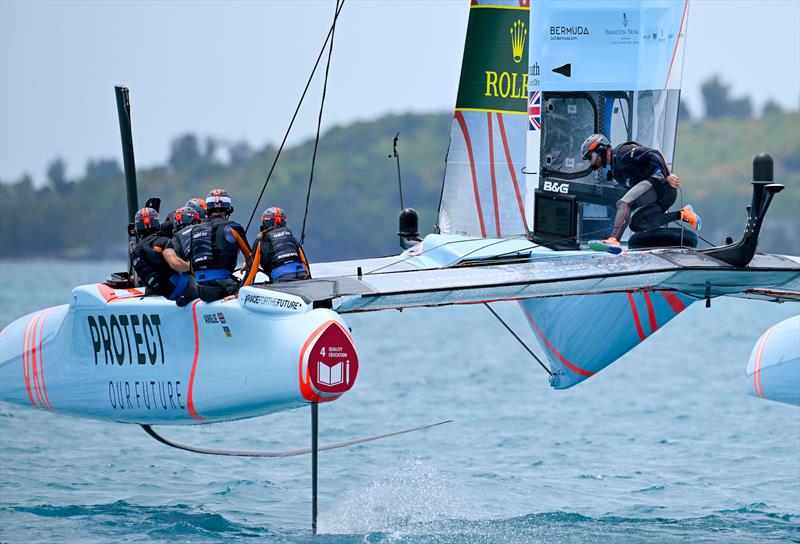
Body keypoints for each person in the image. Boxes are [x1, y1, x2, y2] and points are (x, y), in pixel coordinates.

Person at [580, 134, 701, 254]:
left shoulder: (622, 152)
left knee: (623, 203)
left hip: (661, 183)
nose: (591, 162)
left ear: (600, 148)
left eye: (590, 157)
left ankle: (613, 240)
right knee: (636, 224)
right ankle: (683, 214)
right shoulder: (615, 171)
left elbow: (654, 153)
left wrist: (668, 175)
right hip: (664, 197)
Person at [189, 188, 250, 302]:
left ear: (208, 209)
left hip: (200, 290)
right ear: (229, 209)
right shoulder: (233, 227)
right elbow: (251, 259)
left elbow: (192, 268)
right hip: (222, 288)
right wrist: (240, 291)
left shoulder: (195, 230)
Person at [130, 207, 195, 303]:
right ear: (157, 223)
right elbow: (176, 264)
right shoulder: (163, 241)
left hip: (153, 292)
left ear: (137, 228)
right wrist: (192, 266)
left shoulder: (135, 250)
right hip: (174, 289)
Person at [242, 207, 311, 286]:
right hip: (302, 276)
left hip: (282, 280)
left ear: (264, 222)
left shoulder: (260, 241)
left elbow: (252, 270)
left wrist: (239, 292)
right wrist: (309, 282)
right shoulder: (292, 238)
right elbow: (305, 263)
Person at [162, 206, 202, 306]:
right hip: (215, 280)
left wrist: (191, 267)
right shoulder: (204, 230)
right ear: (194, 221)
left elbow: (175, 264)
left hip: (194, 286)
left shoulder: (174, 239)